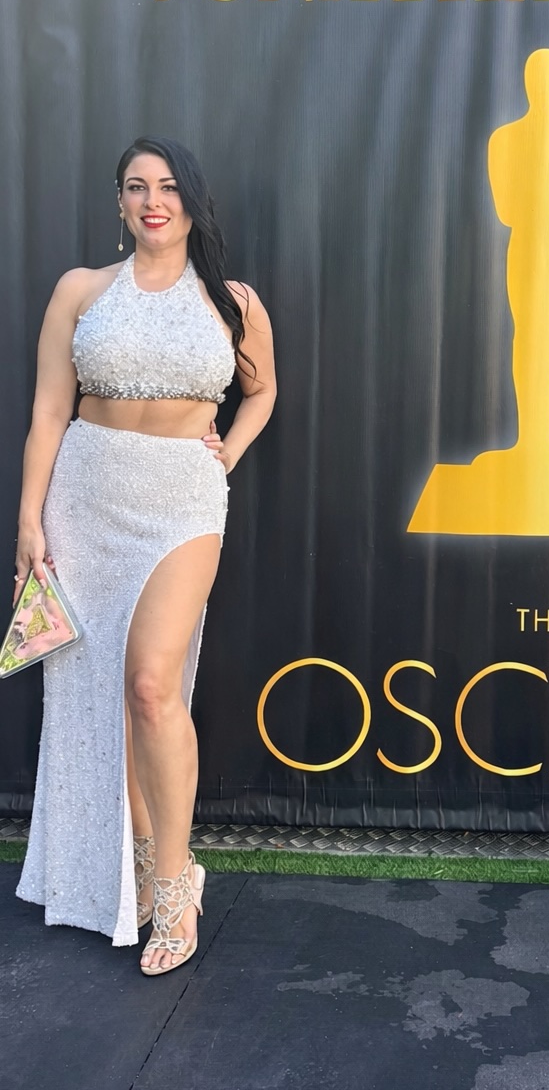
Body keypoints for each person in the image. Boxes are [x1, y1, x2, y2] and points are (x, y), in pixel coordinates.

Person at [14, 136, 276, 975]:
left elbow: (262, 389)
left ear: (191, 201)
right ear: (120, 202)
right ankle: (134, 864)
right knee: (104, 692)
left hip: (182, 502)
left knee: (151, 685)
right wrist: (28, 521)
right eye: (136, 186)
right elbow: (48, 411)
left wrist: (228, 453)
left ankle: (174, 883)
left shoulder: (233, 301)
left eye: (166, 186)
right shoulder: (80, 290)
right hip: (84, 499)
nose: (152, 200)